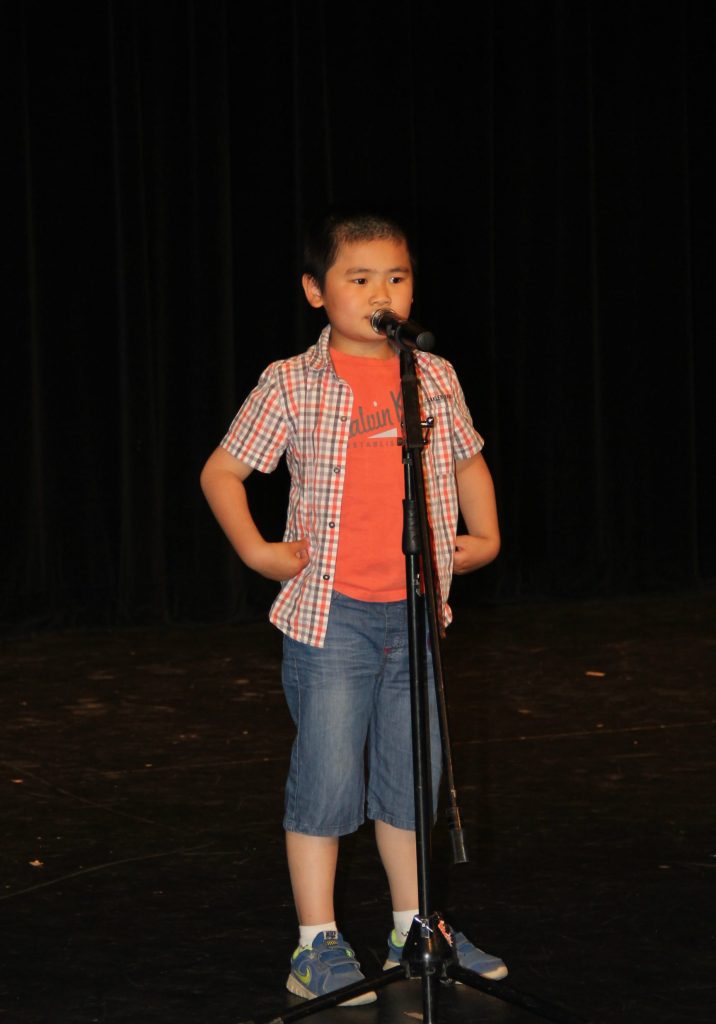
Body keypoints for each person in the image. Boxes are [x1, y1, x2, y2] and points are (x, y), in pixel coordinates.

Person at [200, 209, 506, 1006]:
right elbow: (222, 472)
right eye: (359, 278)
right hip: (331, 616)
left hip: (416, 615)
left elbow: (467, 460)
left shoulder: (432, 376)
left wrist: (485, 535)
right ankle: (316, 943)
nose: (381, 293)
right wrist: (258, 552)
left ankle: (416, 927)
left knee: (411, 778)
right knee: (328, 778)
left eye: (396, 278)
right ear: (316, 291)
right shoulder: (291, 381)